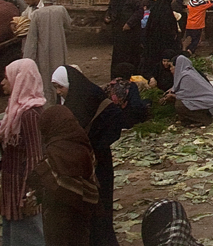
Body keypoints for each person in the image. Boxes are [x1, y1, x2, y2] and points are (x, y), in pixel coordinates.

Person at [51, 66, 124, 246]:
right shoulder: (66, 101)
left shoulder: (91, 96)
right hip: (77, 166)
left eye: (60, 86)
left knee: (100, 208)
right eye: (55, 87)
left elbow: (114, 117)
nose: (58, 91)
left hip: (98, 164)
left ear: (71, 84)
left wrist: (96, 145)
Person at [31, 105, 99, 246]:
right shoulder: (82, 143)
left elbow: (47, 180)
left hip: (59, 219)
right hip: (84, 216)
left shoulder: (56, 150)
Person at [0, 59, 46, 245]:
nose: (3, 82)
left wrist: (29, 193)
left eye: (6, 78)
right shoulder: (15, 113)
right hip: (12, 184)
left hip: (23, 188)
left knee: (28, 234)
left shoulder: (29, 115)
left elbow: (35, 157)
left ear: (19, 79)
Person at [23, 0, 70, 104]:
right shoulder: (61, 10)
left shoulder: (37, 14)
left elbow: (32, 38)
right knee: (59, 74)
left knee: (45, 77)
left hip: (42, 50)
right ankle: (60, 101)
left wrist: (28, 59)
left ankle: (48, 104)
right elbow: (68, 25)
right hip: (59, 48)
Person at [162, 56, 213, 126]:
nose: (171, 69)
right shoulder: (188, 73)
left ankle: (203, 119)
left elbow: (185, 95)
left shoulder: (187, 76)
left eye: (172, 67)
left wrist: (172, 95)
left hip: (209, 103)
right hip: (208, 101)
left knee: (179, 105)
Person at [140, 0, 181, 83]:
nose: (174, 0)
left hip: (154, 41)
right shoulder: (166, 11)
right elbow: (166, 28)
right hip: (163, 42)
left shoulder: (157, 9)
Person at [105, 0, 142, 75]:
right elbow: (110, 9)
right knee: (118, 55)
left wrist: (129, 23)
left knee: (130, 55)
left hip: (130, 34)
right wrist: (108, 17)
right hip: (118, 33)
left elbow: (139, 12)